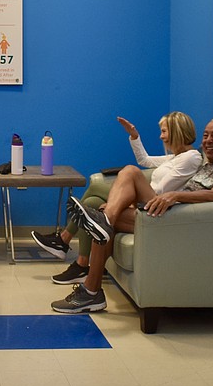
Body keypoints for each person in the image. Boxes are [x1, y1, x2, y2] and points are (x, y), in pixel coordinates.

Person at [51, 117, 213, 314]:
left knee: (130, 174)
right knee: (104, 220)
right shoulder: (204, 161)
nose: (208, 140)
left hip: (183, 220)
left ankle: (87, 282)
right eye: (206, 135)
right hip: (170, 214)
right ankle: (91, 292)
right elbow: (150, 162)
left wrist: (176, 195)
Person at [32, 112, 201, 285]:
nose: (161, 136)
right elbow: (144, 159)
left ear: (176, 131)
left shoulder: (192, 157)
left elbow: (162, 189)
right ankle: (81, 264)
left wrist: (128, 200)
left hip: (156, 206)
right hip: (148, 201)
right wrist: (134, 135)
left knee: (128, 172)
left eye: (164, 131)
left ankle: (64, 240)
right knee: (91, 204)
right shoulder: (175, 157)